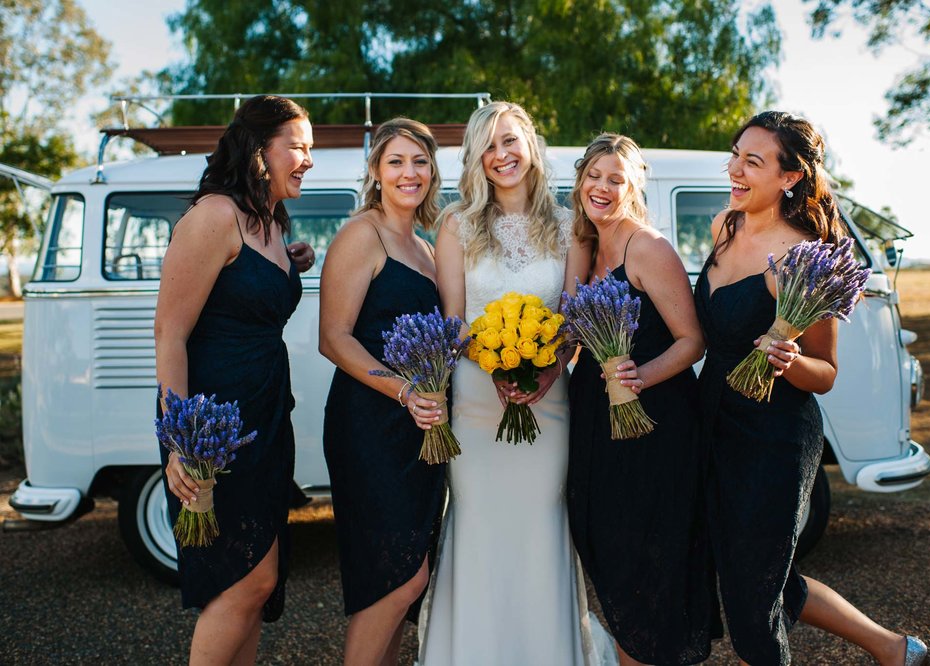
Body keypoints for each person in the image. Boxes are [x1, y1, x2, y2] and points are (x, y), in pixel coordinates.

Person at [694, 110, 928, 666]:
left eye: (753, 161)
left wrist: (790, 358)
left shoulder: (807, 254)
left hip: (771, 438)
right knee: (756, 572)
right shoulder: (723, 226)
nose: (736, 170)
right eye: (735, 155)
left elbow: (825, 371)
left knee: (754, 594)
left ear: (790, 177)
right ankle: (891, 647)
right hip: (712, 422)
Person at [418, 101, 613, 665]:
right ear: (476, 158)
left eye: (509, 141)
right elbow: (453, 320)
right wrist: (496, 363)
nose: (500, 155)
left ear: (530, 144)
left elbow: (573, 320)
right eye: (488, 145)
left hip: (550, 404)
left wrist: (547, 369)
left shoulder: (568, 223)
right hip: (476, 406)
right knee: (479, 528)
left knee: (539, 530)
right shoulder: (456, 223)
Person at [155, 94, 317, 665]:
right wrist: (181, 442)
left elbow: (248, 290)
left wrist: (292, 260)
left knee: (259, 580)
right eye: (297, 147)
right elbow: (169, 335)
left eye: (311, 149)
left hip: (266, 417)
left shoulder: (272, 220)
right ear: (257, 151)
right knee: (237, 583)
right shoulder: (213, 217)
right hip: (210, 429)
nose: (308, 159)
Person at [566, 134, 715, 666]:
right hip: (593, 423)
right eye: (593, 175)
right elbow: (568, 334)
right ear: (581, 179)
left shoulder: (646, 247)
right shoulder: (585, 247)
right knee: (604, 548)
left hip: (654, 427)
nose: (601, 187)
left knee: (645, 560)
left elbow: (692, 341)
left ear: (632, 188)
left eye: (615, 178)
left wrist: (637, 379)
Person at [319, 118, 447, 666]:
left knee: (405, 581)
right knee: (396, 577)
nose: (408, 173)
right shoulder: (361, 234)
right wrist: (403, 391)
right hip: (369, 425)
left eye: (419, 161)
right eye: (395, 161)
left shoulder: (425, 246)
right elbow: (333, 338)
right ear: (375, 171)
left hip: (418, 428)